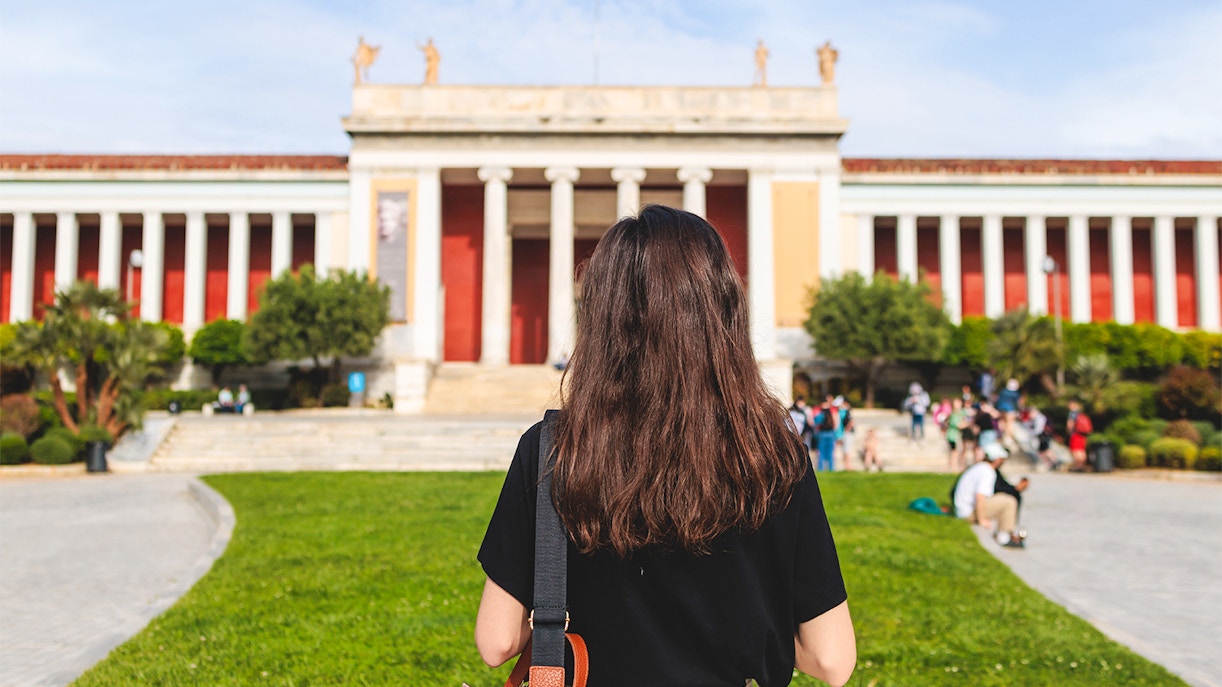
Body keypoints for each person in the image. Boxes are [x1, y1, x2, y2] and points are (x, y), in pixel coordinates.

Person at [474, 206, 856, 686]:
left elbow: (497, 641)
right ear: (722, 311)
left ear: (601, 317)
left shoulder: (551, 450)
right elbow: (832, 660)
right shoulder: (771, 454)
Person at [952, 450, 1025, 548]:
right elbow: (980, 496)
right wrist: (982, 520)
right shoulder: (988, 471)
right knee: (1009, 502)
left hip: (962, 510)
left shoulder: (979, 467)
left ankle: (1003, 532)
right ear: (997, 459)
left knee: (1002, 498)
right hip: (967, 513)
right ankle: (1004, 537)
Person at [812, 396, 840, 472]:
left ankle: (820, 468)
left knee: (821, 452)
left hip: (822, 433)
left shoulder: (819, 412)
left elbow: (816, 423)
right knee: (830, 452)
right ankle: (831, 468)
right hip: (831, 433)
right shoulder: (832, 411)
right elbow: (836, 423)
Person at [1066, 400, 1093, 471]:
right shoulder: (1080, 413)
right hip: (1082, 434)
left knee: (1075, 450)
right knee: (1081, 450)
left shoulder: (1072, 413)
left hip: (1075, 434)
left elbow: (1070, 423)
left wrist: (1069, 431)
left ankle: (1078, 466)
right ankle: (1082, 465)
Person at [995, 379, 1021, 448]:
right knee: (1009, 423)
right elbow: (1017, 403)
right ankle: (1007, 437)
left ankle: (1000, 434)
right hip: (1010, 409)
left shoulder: (1003, 391)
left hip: (1001, 409)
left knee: (1002, 421)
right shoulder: (1015, 394)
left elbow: (998, 400)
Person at [945, 398, 969, 473]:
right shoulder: (953, 414)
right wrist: (968, 424)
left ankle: (957, 464)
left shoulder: (961, 412)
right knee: (954, 451)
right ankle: (953, 465)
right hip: (953, 436)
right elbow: (958, 425)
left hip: (958, 435)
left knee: (958, 450)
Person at [834, 397, 855, 471]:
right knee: (844, 450)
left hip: (847, 433)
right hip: (844, 433)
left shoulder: (846, 411)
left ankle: (848, 466)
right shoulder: (842, 411)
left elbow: (851, 422)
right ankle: (846, 466)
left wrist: (845, 431)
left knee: (847, 450)